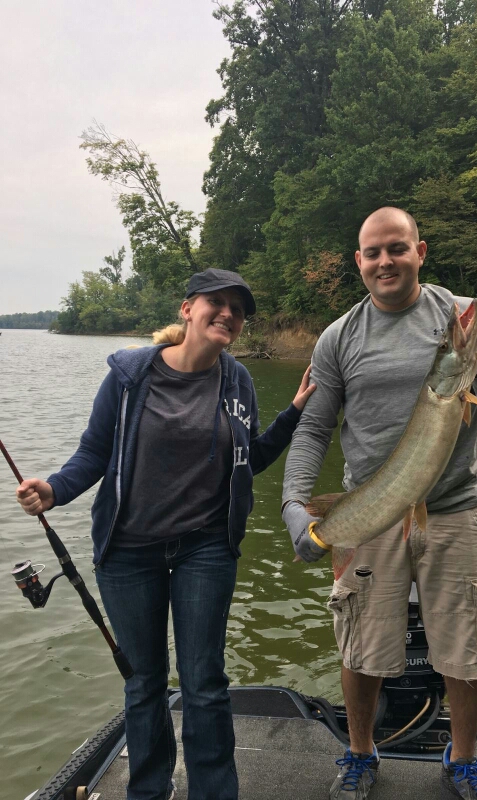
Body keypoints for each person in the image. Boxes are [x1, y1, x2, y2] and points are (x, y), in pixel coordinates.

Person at [16, 268, 315, 800]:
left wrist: (293, 413)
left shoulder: (237, 380)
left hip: (206, 548)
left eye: (238, 309)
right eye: (216, 303)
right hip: (129, 550)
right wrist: (55, 490)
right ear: (187, 309)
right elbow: (94, 454)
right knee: (145, 682)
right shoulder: (130, 376)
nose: (227, 314)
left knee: (204, 683)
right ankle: (149, 791)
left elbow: (251, 460)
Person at [282, 207, 477, 800]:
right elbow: (313, 430)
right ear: (359, 262)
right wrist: (295, 507)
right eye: (373, 252)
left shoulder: (466, 316)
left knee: (468, 649)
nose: (385, 260)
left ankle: (463, 760)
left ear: (420, 250)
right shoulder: (339, 337)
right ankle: (360, 754)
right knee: (362, 643)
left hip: (459, 509)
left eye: (397, 248)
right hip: (372, 512)